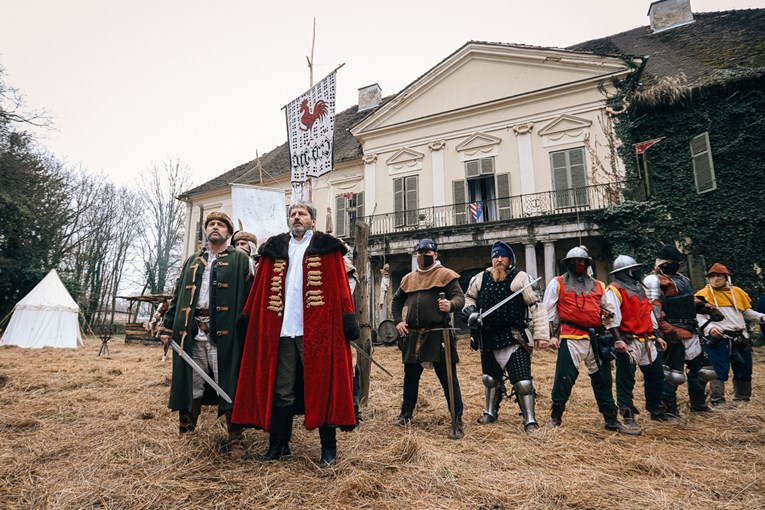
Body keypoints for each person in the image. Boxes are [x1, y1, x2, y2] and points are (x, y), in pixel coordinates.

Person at [232, 201, 359, 467]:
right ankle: (279, 445)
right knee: (281, 390)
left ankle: (328, 449)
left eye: (302, 214)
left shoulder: (327, 247)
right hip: (280, 331)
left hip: (318, 330)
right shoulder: (274, 248)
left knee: (322, 386)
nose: (296, 218)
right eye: (292, 214)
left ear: (312, 220)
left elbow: (341, 287)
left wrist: (348, 317)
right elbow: (260, 288)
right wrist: (248, 315)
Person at [160, 212, 252, 459]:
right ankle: (187, 436)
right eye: (211, 224)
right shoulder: (192, 261)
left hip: (224, 334)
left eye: (220, 225)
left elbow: (251, 296)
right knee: (192, 385)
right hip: (191, 333)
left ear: (228, 232)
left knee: (228, 384)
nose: (215, 227)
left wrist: (248, 327)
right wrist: (168, 328)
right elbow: (178, 295)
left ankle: (235, 440)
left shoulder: (240, 260)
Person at [544, 246, 635, 434]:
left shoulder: (599, 285)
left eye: (582, 261)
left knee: (603, 379)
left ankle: (611, 420)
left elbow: (610, 314)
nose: (578, 264)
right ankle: (555, 418)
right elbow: (548, 312)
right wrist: (551, 336)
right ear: (568, 264)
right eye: (574, 261)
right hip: (571, 336)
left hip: (597, 338)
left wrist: (612, 331)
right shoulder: (558, 283)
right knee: (564, 377)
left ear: (587, 264)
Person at [462, 241, 549, 433]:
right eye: (495, 256)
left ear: (509, 259)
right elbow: (468, 299)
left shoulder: (521, 278)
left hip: (514, 337)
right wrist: (471, 313)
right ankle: (490, 412)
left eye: (503, 256)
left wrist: (542, 335)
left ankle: (530, 420)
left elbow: (537, 305)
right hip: (488, 337)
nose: (499, 260)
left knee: (523, 383)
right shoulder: (480, 278)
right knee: (490, 379)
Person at [391, 239, 466, 438]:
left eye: (427, 251)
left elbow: (460, 298)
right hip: (413, 336)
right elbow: (397, 301)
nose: (423, 255)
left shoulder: (446, 275)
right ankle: (406, 414)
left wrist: (450, 305)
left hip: (438, 335)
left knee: (448, 379)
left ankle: (456, 420)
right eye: (420, 251)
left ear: (436, 254)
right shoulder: (409, 278)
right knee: (410, 378)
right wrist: (398, 321)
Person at [644, 244, 721, 420]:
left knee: (702, 371)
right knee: (672, 375)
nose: (676, 265)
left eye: (678, 262)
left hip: (691, 330)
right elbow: (654, 308)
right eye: (673, 262)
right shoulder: (654, 280)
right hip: (671, 331)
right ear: (663, 263)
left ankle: (699, 405)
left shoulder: (683, 280)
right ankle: (668, 411)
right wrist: (665, 329)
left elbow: (688, 300)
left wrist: (707, 308)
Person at [602, 255, 673, 432]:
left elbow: (648, 313)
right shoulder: (614, 289)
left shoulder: (640, 288)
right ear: (625, 272)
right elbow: (610, 316)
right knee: (626, 379)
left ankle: (655, 409)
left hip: (647, 340)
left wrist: (657, 335)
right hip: (629, 341)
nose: (637, 271)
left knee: (656, 376)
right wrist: (618, 339)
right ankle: (627, 415)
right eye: (634, 269)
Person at [695, 263, 765, 404]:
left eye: (719, 275)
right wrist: (710, 329)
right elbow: (698, 317)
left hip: (740, 337)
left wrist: (761, 317)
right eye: (712, 276)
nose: (716, 278)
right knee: (717, 370)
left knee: (744, 369)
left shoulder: (737, 292)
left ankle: (742, 400)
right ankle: (718, 400)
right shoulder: (702, 296)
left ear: (726, 277)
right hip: (719, 337)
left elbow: (745, 312)